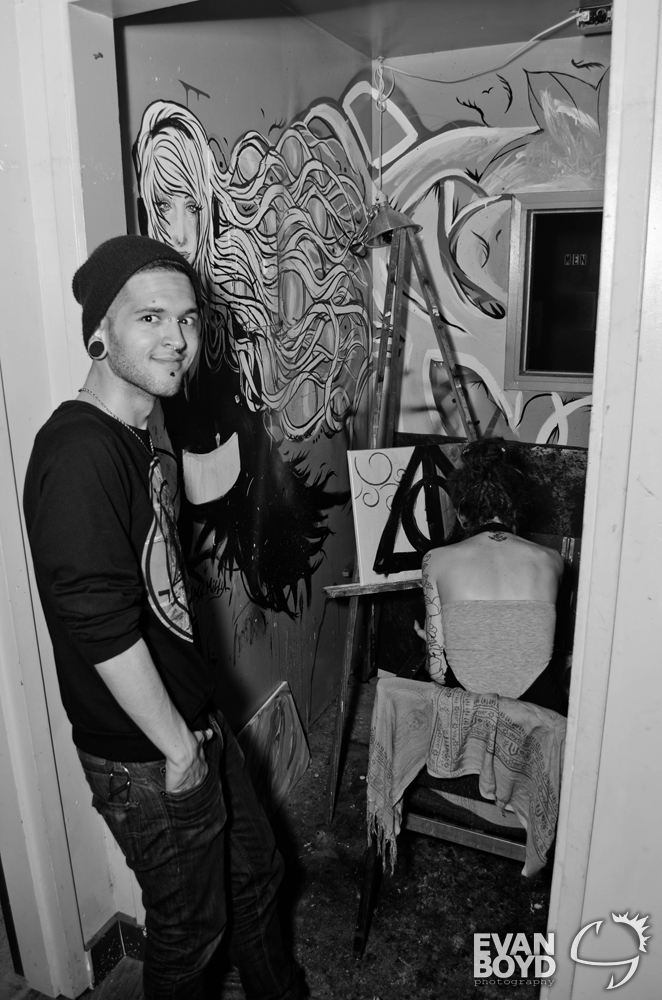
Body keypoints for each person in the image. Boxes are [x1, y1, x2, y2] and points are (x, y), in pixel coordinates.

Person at [23, 235, 305, 1000]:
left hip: (193, 719)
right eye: (150, 317)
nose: (177, 338)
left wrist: (197, 726)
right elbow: (99, 623)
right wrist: (179, 749)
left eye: (186, 319)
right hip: (149, 753)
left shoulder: (146, 432)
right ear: (99, 332)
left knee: (257, 879)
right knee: (189, 935)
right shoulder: (78, 450)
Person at [420, 436, 566, 713]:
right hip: (540, 710)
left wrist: (433, 644)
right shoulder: (552, 560)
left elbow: (437, 672)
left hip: (468, 709)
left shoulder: (435, 560)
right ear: (514, 510)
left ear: (462, 513)